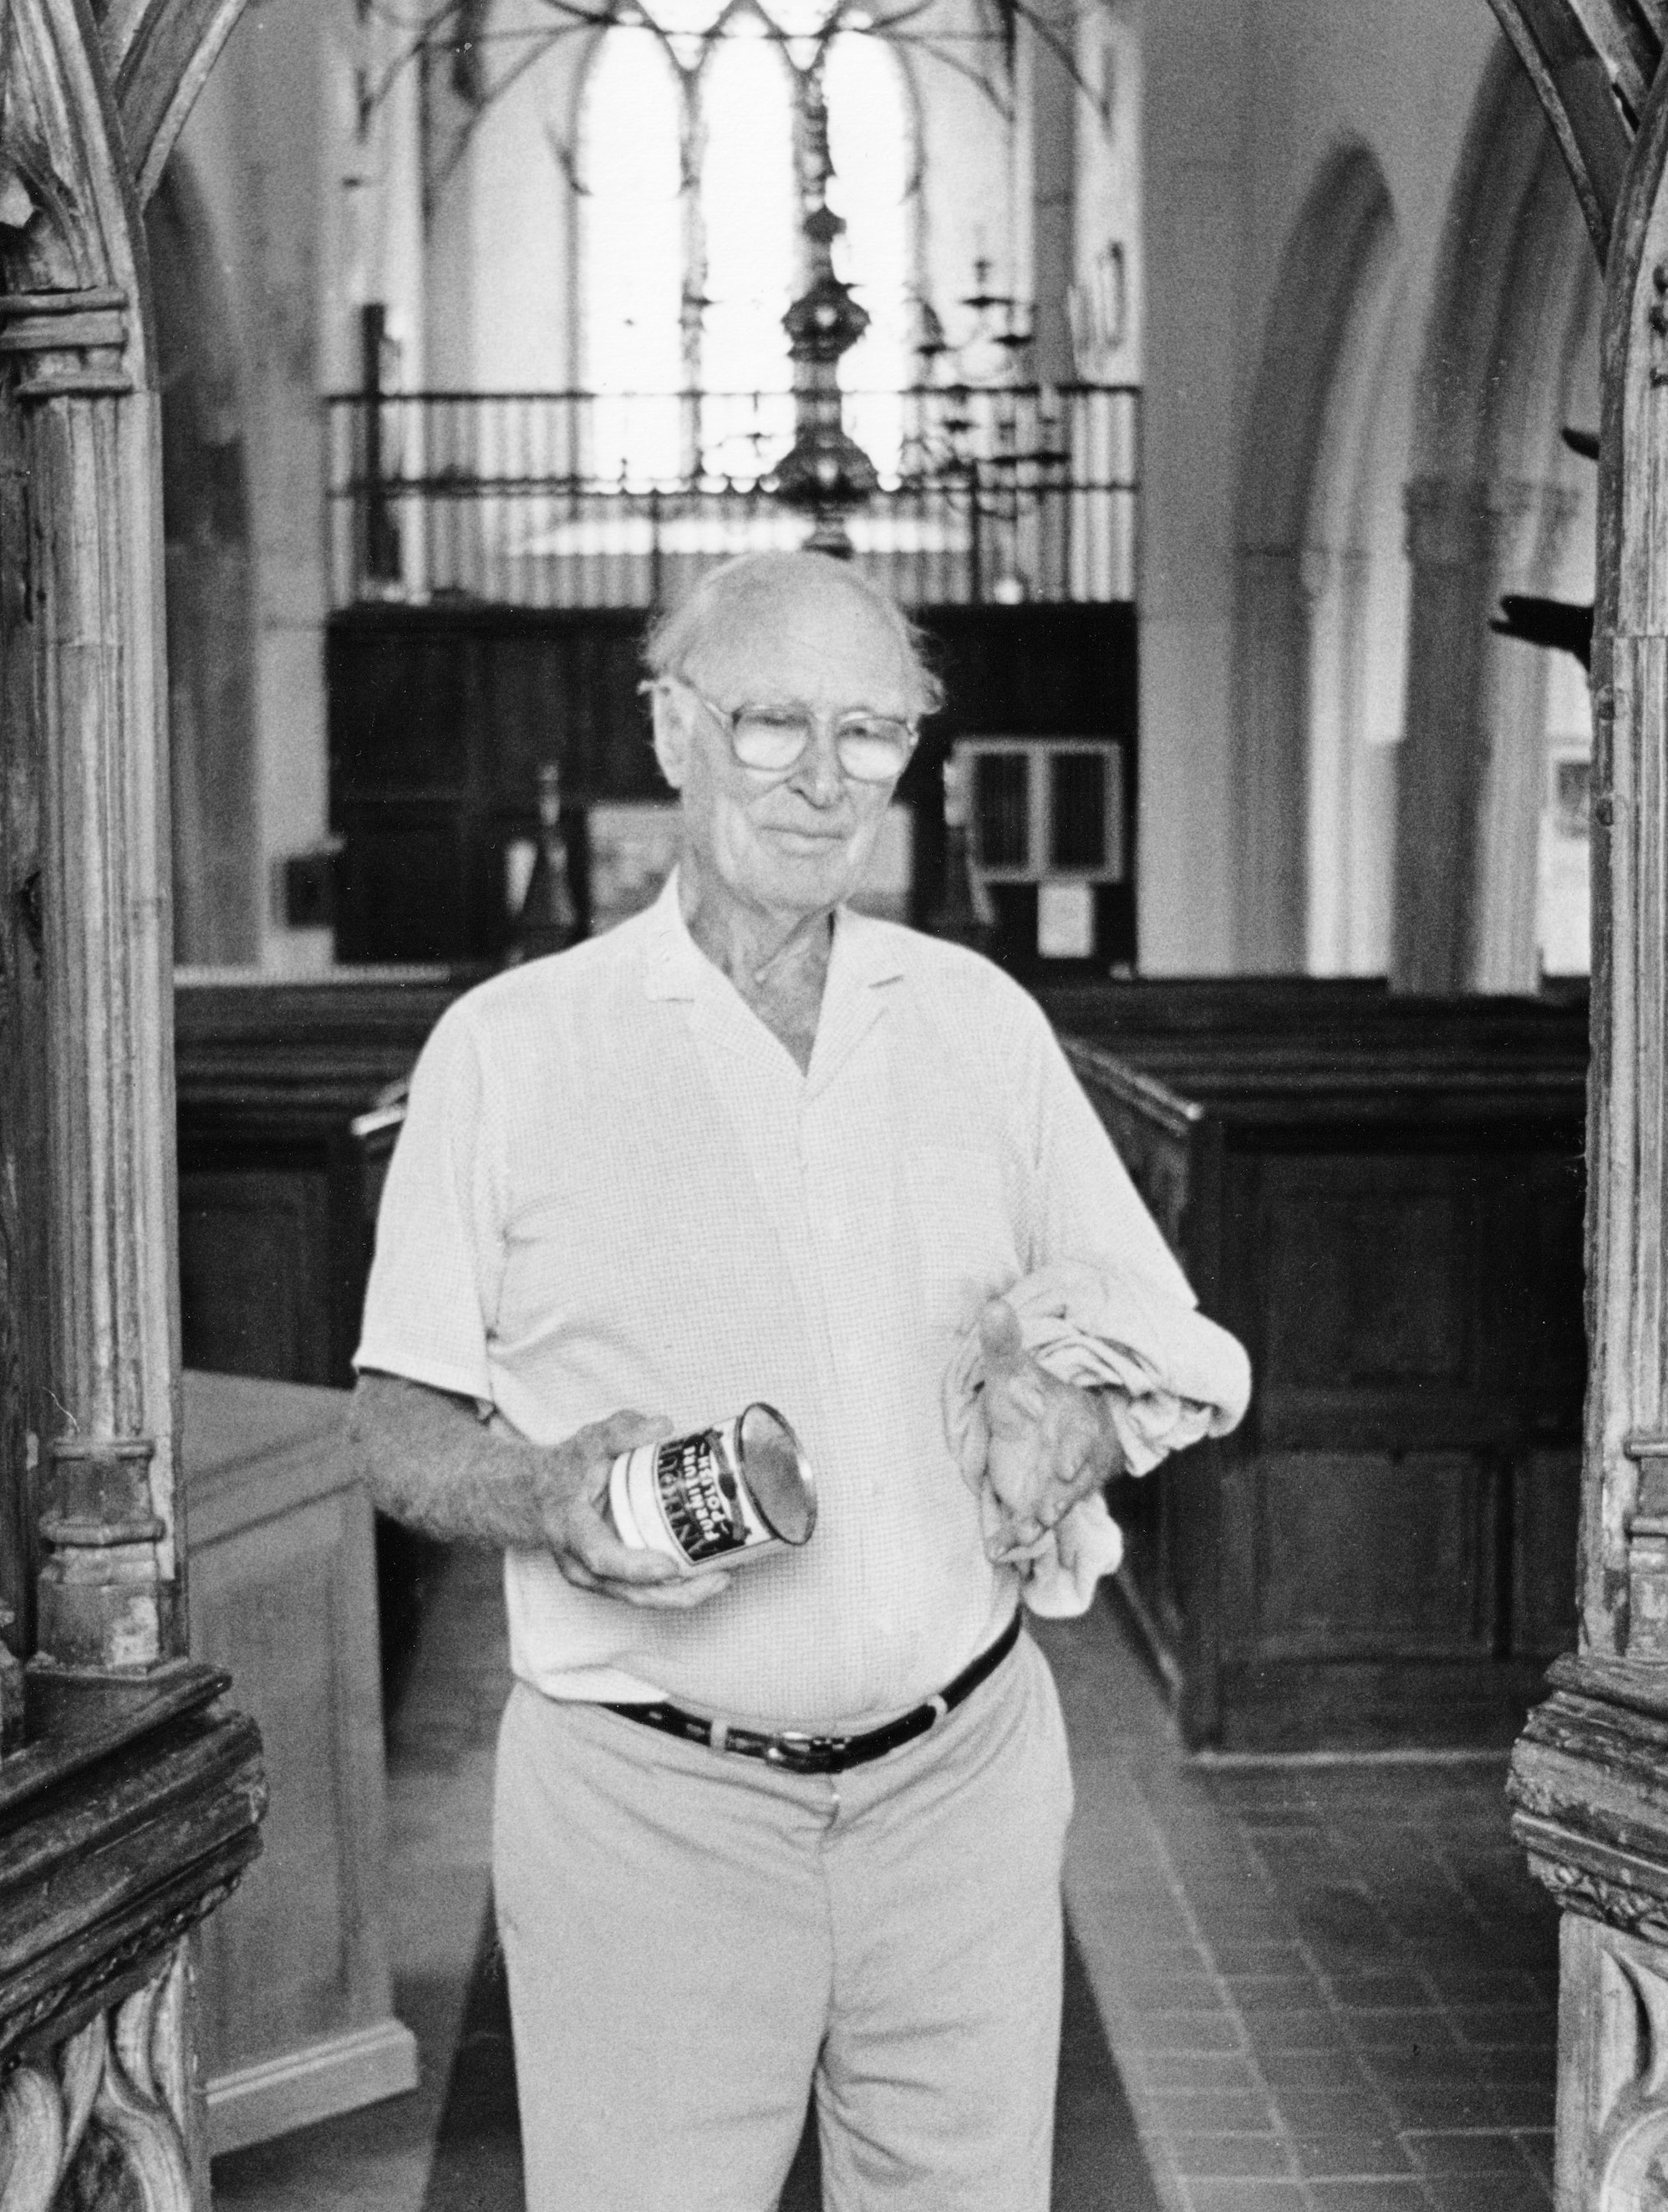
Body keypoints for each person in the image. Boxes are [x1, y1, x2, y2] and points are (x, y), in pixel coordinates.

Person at [349, 548, 1249, 2209]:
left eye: (869, 730)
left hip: (960, 1787)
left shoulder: (972, 1017)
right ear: (671, 726)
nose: (823, 778)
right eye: (773, 724)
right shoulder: (514, 1045)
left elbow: (1165, 1331)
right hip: (648, 1812)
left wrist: (1084, 1419)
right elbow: (394, 1429)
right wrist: (547, 1491)